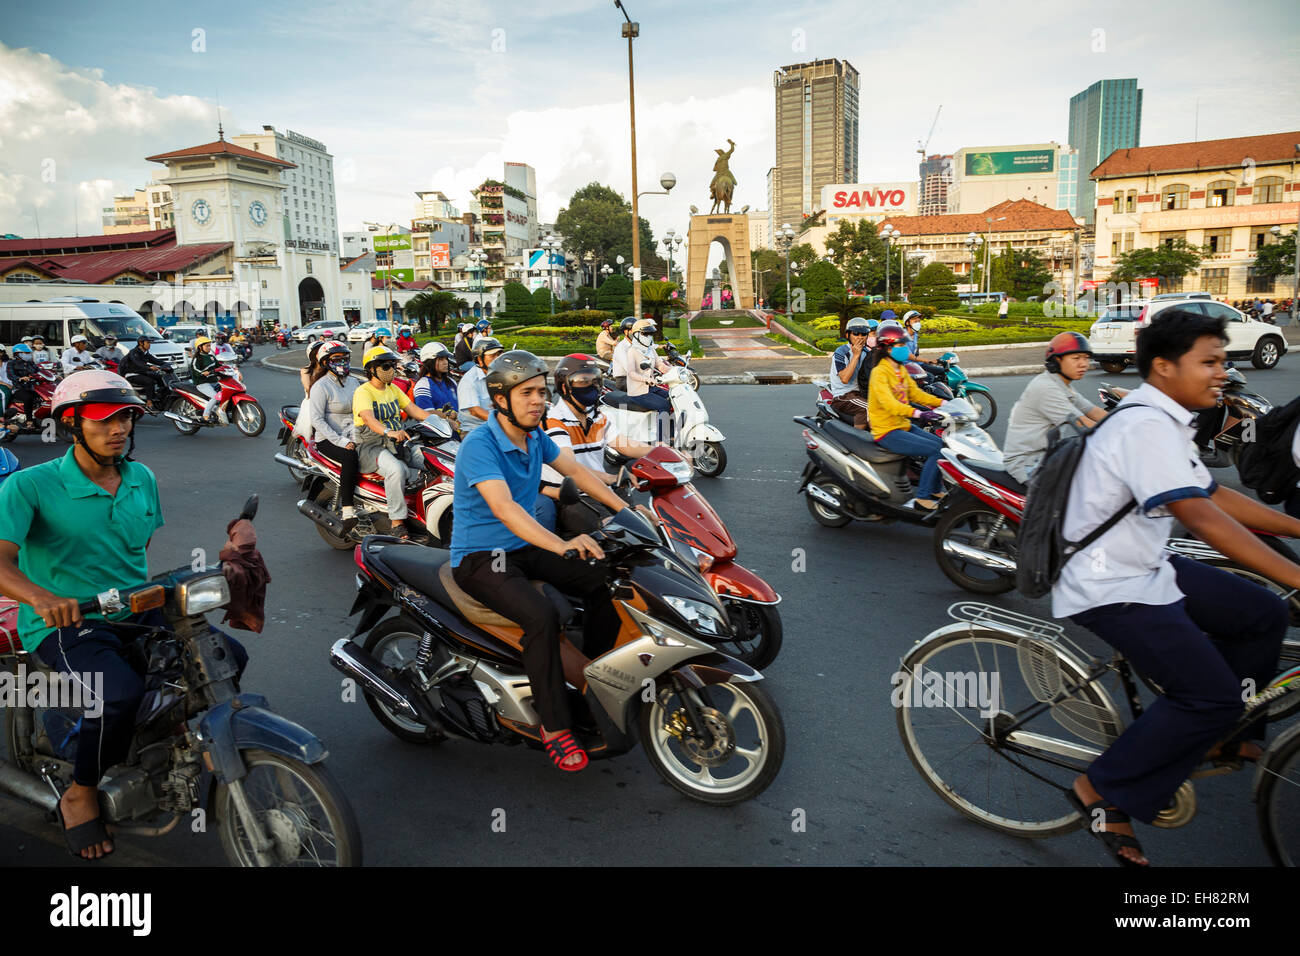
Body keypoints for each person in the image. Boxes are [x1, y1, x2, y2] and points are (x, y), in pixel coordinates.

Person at [1055, 309, 1295, 867]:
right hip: (1107, 581)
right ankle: (1102, 790)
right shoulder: (1142, 426)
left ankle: (1226, 733)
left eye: (1221, 360)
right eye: (1208, 362)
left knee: (1263, 613)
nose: (1222, 372)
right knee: (1207, 693)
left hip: (1146, 563)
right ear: (1163, 367)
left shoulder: (1167, 421)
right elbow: (1206, 522)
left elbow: (1215, 496)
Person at [0, 369, 248, 859]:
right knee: (117, 697)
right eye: (103, 420)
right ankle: (81, 793)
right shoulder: (30, 486)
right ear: (72, 425)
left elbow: (134, 548)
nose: (119, 429)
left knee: (227, 658)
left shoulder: (140, 478)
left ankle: (166, 740)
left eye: (126, 419)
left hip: (133, 608)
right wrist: (43, 598)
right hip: (64, 623)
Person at [450, 350, 633, 772]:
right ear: (501, 399)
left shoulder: (535, 438)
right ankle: (554, 725)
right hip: (483, 556)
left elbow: (580, 474)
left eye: (541, 391)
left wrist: (627, 511)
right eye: (528, 393)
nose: (539, 400)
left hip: (524, 545)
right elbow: (506, 510)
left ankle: (596, 676)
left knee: (604, 574)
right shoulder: (480, 445)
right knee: (540, 617)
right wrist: (561, 545)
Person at [534, 354, 654, 533]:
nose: (592, 386)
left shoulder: (597, 417)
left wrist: (663, 451)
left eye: (596, 379)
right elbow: (570, 468)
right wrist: (612, 478)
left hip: (601, 491)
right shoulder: (554, 420)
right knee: (616, 533)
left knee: (649, 525)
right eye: (583, 380)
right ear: (565, 387)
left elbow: (625, 445)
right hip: (571, 497)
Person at [352, 345, 440, 541]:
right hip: (371, 445)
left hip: (397, 441)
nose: (391, 370)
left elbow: (415, 411)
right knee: (397, 470)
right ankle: (397, 522)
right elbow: (368, 418)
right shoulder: (363, 391)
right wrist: (388, 431)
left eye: (392, 365)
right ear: (372, 369)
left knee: (432, 459)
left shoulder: (392, 389)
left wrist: (441, 422)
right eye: (385, 366)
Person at [1002, 332, 1110, 484]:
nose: (1083, 364)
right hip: (1027, 463)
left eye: (1086, 358)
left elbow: (1093, 411)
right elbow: (1083, 423)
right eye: (1076, 358)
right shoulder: (1046, 388)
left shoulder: (1063, 386)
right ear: (1057, 360)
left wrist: (1125, 425)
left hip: (1047, 456)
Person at [867, 322, 946, 510]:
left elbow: (915, 394)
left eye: (904, 345)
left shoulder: (900, 369)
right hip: (887, 431)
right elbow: (889, 404)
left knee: (944, 446)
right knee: (935, 450)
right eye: (900, 346)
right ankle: (923, 497)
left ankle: (935, 489)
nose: (904, 349)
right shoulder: (879, 372)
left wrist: (943, 403)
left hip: (902, 425)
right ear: (887, 348)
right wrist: (919, 413)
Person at [308, 342, 362, 532]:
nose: (342, 362)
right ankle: (348, 509)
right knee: (350, 456)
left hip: (355, 434)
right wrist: (342, 441)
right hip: (329, 439)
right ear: (325, 362)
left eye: (345, 358)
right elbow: (316, 419)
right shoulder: (320, 386)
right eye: (336, 359)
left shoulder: (354, 382)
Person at [827, 317, 874, 429]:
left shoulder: (867, 352)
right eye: (856, 334)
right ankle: (857, 440)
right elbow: (845, 378)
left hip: (861, 394)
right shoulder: (842, 352)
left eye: (863, 334)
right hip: (844, 395)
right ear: (848, 335)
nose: (860, 338)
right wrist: (856, 356)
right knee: (869, 408)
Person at [456, 337, 504, 435]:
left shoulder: (498, 376)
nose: (497, 359)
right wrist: (503, 421)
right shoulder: (469, 381)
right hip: (475, 431)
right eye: (492, 356)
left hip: (496, 426)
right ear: (480, 359)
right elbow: (475, 411)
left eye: (499, 355)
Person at [412, 341, 459, 421]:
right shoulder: (423, 385)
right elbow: (425, 413)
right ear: (429, 362)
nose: (446, 362)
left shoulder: (451, 382)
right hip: (438, 431)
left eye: (446, 359)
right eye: (441, 359)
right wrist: (448, 415)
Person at [119, 335, 170, 407]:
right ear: (141, 343)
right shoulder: (134, 352)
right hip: (131, 374)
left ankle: (161, 395)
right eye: (148, 343)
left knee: (159, 376)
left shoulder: (146, 353)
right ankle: (149, 401)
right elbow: (138, 363)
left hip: (141, 372)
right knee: (149, 381)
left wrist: (166, 364)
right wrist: (150, 367)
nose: (150, 345)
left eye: (150, 343)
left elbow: (155, 360)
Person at [189, 335, 224, 422]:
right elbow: (195, 370)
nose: (209, 347)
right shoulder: (197, 359)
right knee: (216, 397)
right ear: (200, 347)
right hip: (202, 383)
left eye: (209, 345)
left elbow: (219, 367)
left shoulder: (211, 357)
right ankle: (206, 415)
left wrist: (228, 368)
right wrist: (203, 373)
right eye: (207, 346)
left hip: (214, 382)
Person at [5, 343, 41, 425]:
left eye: (29, 353)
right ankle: (29, 420)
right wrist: (20, 378)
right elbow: (10, 375)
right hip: (18, 389)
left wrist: (54, 375)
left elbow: (39, 371)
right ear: (18, 354)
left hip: (31, 387)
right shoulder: (11, 363)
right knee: (28, 398)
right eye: (26, 353)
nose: (29, 355)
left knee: (42, 399)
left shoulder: (30, 363)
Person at [609, 317, 637, 390]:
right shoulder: (621, 347)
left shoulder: (637, 345)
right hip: (624, 380)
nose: (636, 333)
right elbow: (629, 368)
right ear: (626, 332)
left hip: (636, 378)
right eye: (633, 331)